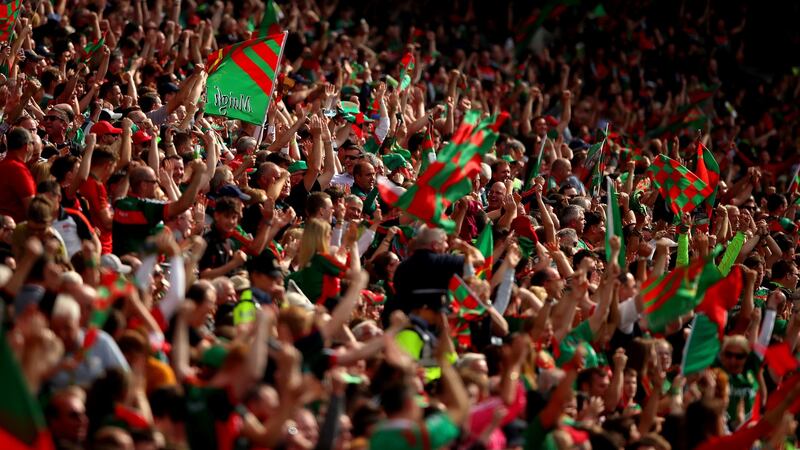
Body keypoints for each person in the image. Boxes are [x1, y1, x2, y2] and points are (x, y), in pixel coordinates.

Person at [0, 127, 35, 222]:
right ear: (27, 146)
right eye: (33, 143)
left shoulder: (3, 165)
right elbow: (31, 207)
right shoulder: (17, 169)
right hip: (15, 230)